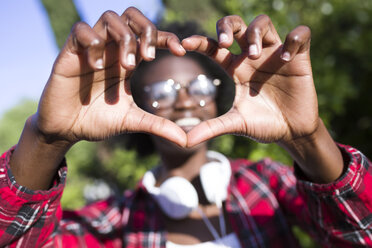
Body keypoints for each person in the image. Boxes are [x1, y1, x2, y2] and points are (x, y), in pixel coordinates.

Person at [0, 6, 371, 247]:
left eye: (198, 87)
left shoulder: (267, 185)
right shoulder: (114, 222)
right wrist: (45, 139)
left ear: (217, 96)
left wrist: (307, 138)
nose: (184, 99)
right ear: (135, 105)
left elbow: (362, 234)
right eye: (163, 90)